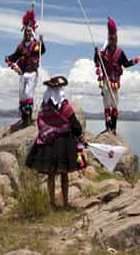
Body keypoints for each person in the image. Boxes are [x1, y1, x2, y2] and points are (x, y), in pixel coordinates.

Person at [25, 75, 86, 208]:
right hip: (64, 143)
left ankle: (52, 203)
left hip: (48, 143)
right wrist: (79, 134)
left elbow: (40, 121)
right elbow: (74, 124)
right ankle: (65, 203)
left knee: (51, 174)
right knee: (64, 174)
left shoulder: (44, 107)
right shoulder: (64, 106)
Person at [94, 16, 140, 133]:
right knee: (106, 103)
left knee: (115, 103)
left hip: (115, 82)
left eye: (114, 38)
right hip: (106, 81)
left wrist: (139, 59)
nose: (113, 40)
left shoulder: (120, 53)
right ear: (109, 40)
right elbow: (97, 62)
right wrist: (96, 54)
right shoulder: (103, 53)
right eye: (111, 39)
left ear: (117, 39)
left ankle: (113, 127)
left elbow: (126, 64)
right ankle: (107, 126)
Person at [6, 9, 46, 126]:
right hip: (23, 72)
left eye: (30, 32)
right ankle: (24, 117)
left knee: (29, 93)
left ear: (32, 33)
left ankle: (28, 117)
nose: (28, 33)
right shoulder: (21, 46)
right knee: (22, 94)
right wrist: (9, 58)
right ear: (24, 33)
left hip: (32, 72)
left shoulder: (36, 45)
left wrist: (42, 42)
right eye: (26, 32)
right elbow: (15, 56)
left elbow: (42, 51)